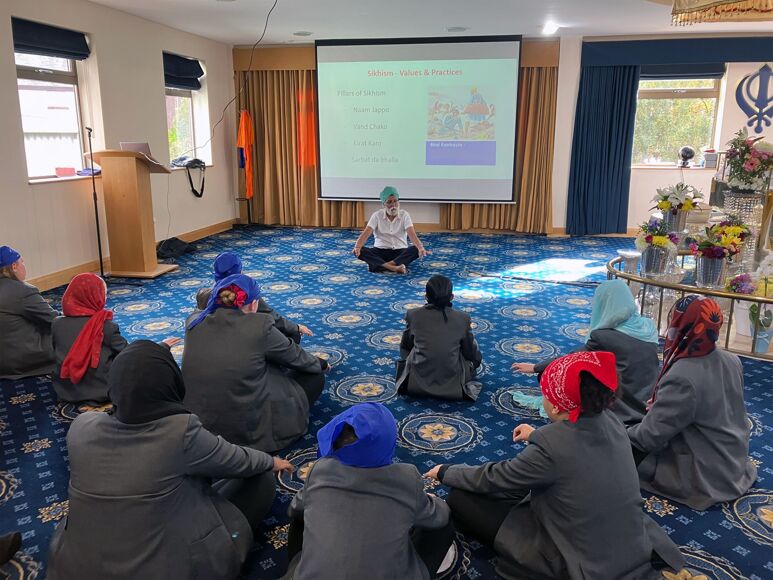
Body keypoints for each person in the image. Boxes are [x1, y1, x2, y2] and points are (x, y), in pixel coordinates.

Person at [425, 351, 685, 580]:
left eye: (546, 395)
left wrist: (445, 472)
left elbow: (495, 477)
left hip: (579, 558)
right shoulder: (611, 421)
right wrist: (536, 435)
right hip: (627, 542)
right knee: (522, 487)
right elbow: (574, 446)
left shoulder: (551, 447)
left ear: (559, 406)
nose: (544, 399)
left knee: (461, 498)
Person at [47, 340, 294, 580]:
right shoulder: (179, 431)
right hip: (165, 568)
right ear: (172, 381)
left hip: (76, 566)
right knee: (260, 478)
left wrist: (159, 348)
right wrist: (271, 462)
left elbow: (136, 374)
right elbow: (237, 460)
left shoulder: (82, 427)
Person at [286, 403, 455, 580]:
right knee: (443, 526)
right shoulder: (406, 478)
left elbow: (294, 508)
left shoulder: (319, 470)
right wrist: (430, 501)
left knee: (301, 515)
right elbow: (439, 516)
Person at [628, 295, 757, 511]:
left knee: (619, 457)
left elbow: (648, 437)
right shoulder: (731, 360)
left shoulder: (683, 376)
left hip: (704, 476)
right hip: (733, 461)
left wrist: (618, 433)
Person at [183, 274, 328, 452]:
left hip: (200, 426)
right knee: (314, 377)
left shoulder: (193, 321)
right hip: (250, 430)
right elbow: (297, 358)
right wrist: (321, 364)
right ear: (253, 304)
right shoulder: (259, 326)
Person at [512, 279, 659, 425]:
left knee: (556, 374)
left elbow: (571, 359)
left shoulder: (605, 337)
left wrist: (536, 368)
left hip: (620, 412)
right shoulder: (648, 328)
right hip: (647, 406)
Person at [396, 275, 482, 401]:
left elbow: (406, 346)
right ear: (452, 297)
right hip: (454, 386)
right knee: (471, 343)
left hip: (416, 384)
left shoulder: (413, 314)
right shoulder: (463, 318)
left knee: (414, 343)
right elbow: (470, 353)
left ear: (426, 296)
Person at [196, 252, 312, 343]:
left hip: (212, 342)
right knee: (292, 334)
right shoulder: (245, 294)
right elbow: (272, 317)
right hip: (241, 342)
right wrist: (297, 327)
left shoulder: (203, 294)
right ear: (240, 271)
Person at [51, 273, 128, 404]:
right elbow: (127, 353)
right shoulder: (106, 326)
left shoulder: (56, 323)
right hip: (103, 390)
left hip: (67, 391)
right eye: (104, 293)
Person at [0, 245, 57, 379]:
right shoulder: (22, 291)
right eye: (22, 262)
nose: (24, 266)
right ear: (14, 266)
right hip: (20, 360)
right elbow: (53, 320)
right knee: (70, 332)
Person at [353, 186, 428, 274]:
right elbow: (366, 233)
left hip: (400, 252)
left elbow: (412, 234)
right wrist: (357, 247)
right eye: (389, 202)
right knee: (360, 250)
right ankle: (395, 267)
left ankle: (382, 265)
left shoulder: (404, 215)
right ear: (384, 204)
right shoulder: (377, 215)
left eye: (395, 201)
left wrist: (420, 247)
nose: (393, 205)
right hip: (380, 251)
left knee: (415, 249)